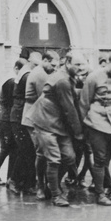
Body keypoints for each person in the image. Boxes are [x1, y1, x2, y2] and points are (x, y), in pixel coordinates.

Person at [29, 51, 86, 207]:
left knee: (69, 156)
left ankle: (51, 184)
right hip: (45, 120)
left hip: (58, 121)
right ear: (67, 63)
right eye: (78, 64)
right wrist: (79, 133)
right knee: (52, 158)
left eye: (83, 63)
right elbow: (69, 109)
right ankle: (54, 193)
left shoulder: (67, 77)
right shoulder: (63, 81)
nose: (81, 67)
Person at [79, 50, 111, 206]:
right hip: (97, 121)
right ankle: (101, 193)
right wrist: (85, 126)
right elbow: (84, 103)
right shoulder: (93, 77)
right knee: (100, 159)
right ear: (107, 62)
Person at [23, 51, 59, 200]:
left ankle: (46, 184)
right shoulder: (41, 75)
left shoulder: (41, 71)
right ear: (44, 60)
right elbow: (44, 98)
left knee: (43, 153)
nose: (55, 68)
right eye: (52, 64)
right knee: (41, 153)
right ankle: (41, 186)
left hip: (36, 115)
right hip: (35, 117)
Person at [7, 53, 40, 194]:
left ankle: (23, 182)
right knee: (27, 151)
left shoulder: (24, 72)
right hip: (21, 116)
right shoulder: (28, 76)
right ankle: (16, 181)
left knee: (25, 151)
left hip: (20, 115)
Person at [0, 72, 16, 185]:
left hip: (4, 119)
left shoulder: (11, 81)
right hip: (4, 121)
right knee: (5, 148)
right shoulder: (10, 83)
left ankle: (10, 177)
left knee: (11, 150)